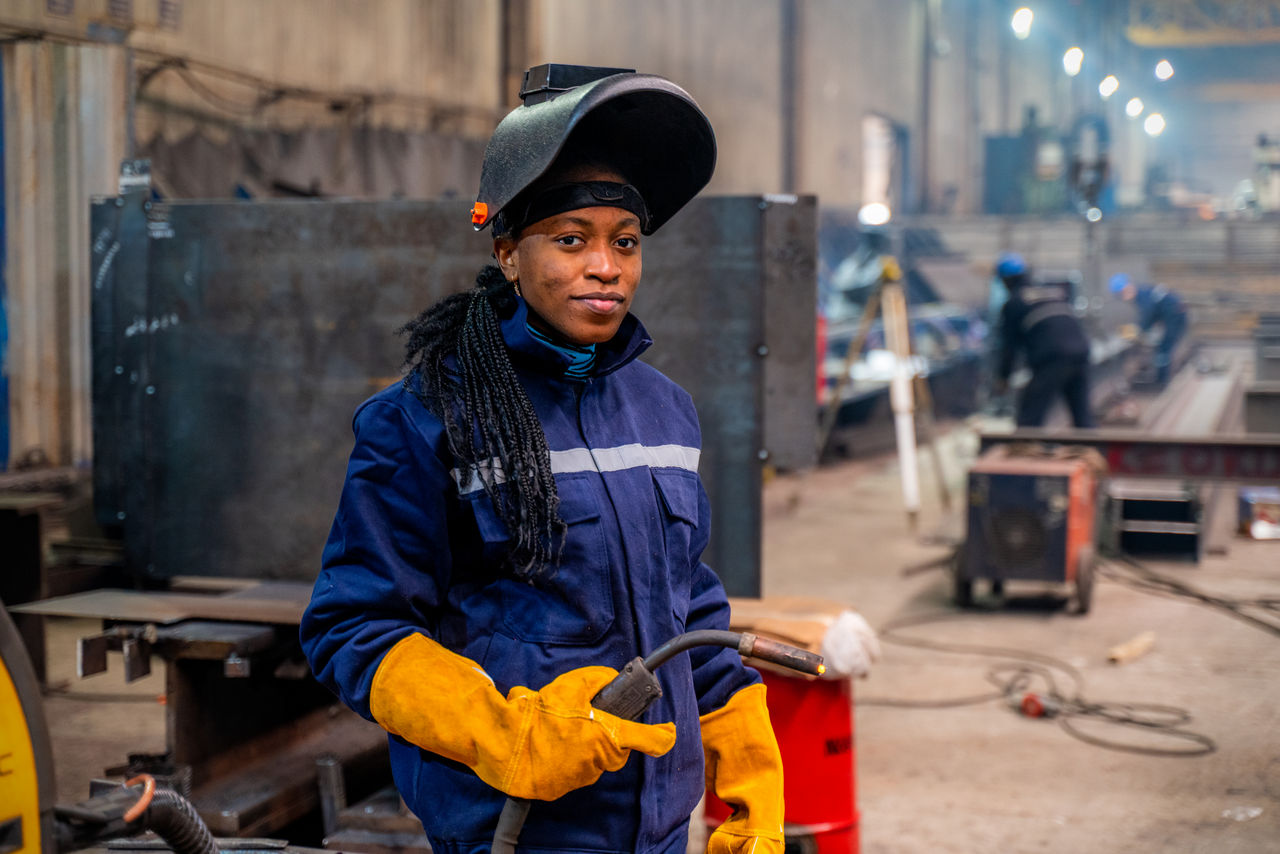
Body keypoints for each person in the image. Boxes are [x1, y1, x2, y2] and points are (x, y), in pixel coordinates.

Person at [299, 64, 784, 854]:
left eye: (624, 243)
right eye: (571, 240)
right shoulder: (425, 417)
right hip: (517, 827)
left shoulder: (665, 410)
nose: (606, 266)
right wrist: (504, 731)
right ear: (508, 253)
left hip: (658, 825)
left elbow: (686, 608)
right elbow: (353, 625)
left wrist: (744, 760)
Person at [992, 252, 1095, 428]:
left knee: (1029, 418)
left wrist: (1003, 379)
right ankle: (1093, 450)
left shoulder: (1013, 303)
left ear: (1005, 281)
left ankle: (1024, 451)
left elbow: (1009, 347)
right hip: (1081, 351)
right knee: (1082, 416)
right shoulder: (1052, 292)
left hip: (1053, 357)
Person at [1110, 273, 1188, 384]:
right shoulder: (1144, 293)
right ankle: (1162, 377)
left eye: (1123, 293)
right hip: (1175, 314)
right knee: (1164, 347)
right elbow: (1152, 315)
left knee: (1164, 348)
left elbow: (1148, 315)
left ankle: (1161, 381)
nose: (1124, 297)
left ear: (1128, 288)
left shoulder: (1143, 297)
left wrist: (1138, 330)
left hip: (1175, 315)